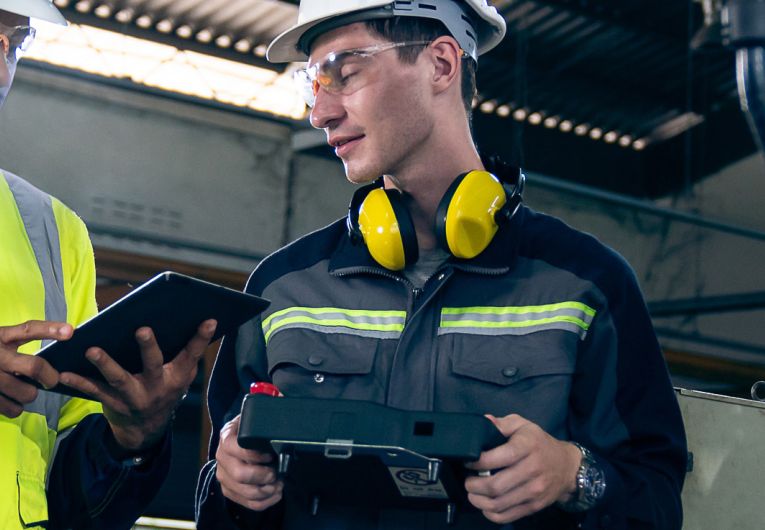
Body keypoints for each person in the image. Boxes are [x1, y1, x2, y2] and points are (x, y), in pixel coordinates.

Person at [196, 1, 687, 528]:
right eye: (312, 84)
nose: (320, 114)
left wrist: (574, 474)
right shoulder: (282, 289)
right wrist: (234, 484)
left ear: (441, 65)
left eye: (343, 73)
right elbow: (220, 500)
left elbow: (658, 498)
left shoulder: (586, 284)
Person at [0, 1, 215, 528]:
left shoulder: (50, 227)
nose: (1, 66)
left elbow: (77, 495)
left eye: (14, 40)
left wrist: (131, 436)